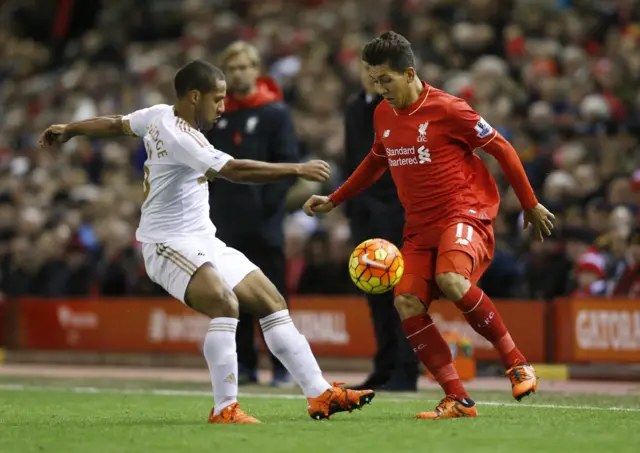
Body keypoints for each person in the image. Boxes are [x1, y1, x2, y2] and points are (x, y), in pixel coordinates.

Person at [39, 59, 374, 424]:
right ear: (194, 96)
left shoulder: (156, 115)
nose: (222, 107)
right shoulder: (181, 137)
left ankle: (320, 394)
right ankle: (224, 408)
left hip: (203, 239)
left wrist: (71, 128)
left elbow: (115, 124)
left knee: (271, 300)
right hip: (166, 243)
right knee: (225, 304)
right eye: (217, 99)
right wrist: (295, 169)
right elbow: (235, 171)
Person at [303, 32, 555, 420]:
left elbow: (501, 147)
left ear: (409, 73)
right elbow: (376, 160)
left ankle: (517, 363)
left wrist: (531, 204)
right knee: (405, 302)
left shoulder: (450, 109)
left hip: (464, 213)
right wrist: (334, 199)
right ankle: (457, 397)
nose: (379, 88)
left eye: (386, 79)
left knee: (452, 280)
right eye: (374, 79)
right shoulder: (383, 114)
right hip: (419, 227)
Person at [205, 41, 294, 387]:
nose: (239, 73)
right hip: (224, 225)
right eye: (233, 68)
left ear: (256, 70)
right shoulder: (218, 117)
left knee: (272, 297)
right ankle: (245, 366)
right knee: (231, 299)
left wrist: (267, 208)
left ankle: (282, 367)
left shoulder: (275, 112)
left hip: (265, 225)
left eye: (245, 66)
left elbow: (286, 163)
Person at [344, 63, 418, 391]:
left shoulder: (400, 107)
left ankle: (407, 369)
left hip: (397, 210)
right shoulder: (353, 107)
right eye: (366, 70)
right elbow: (352, 160)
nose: (371, 77)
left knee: (404, 291)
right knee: (374, 291)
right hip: (364, 213)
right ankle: (385, 366)